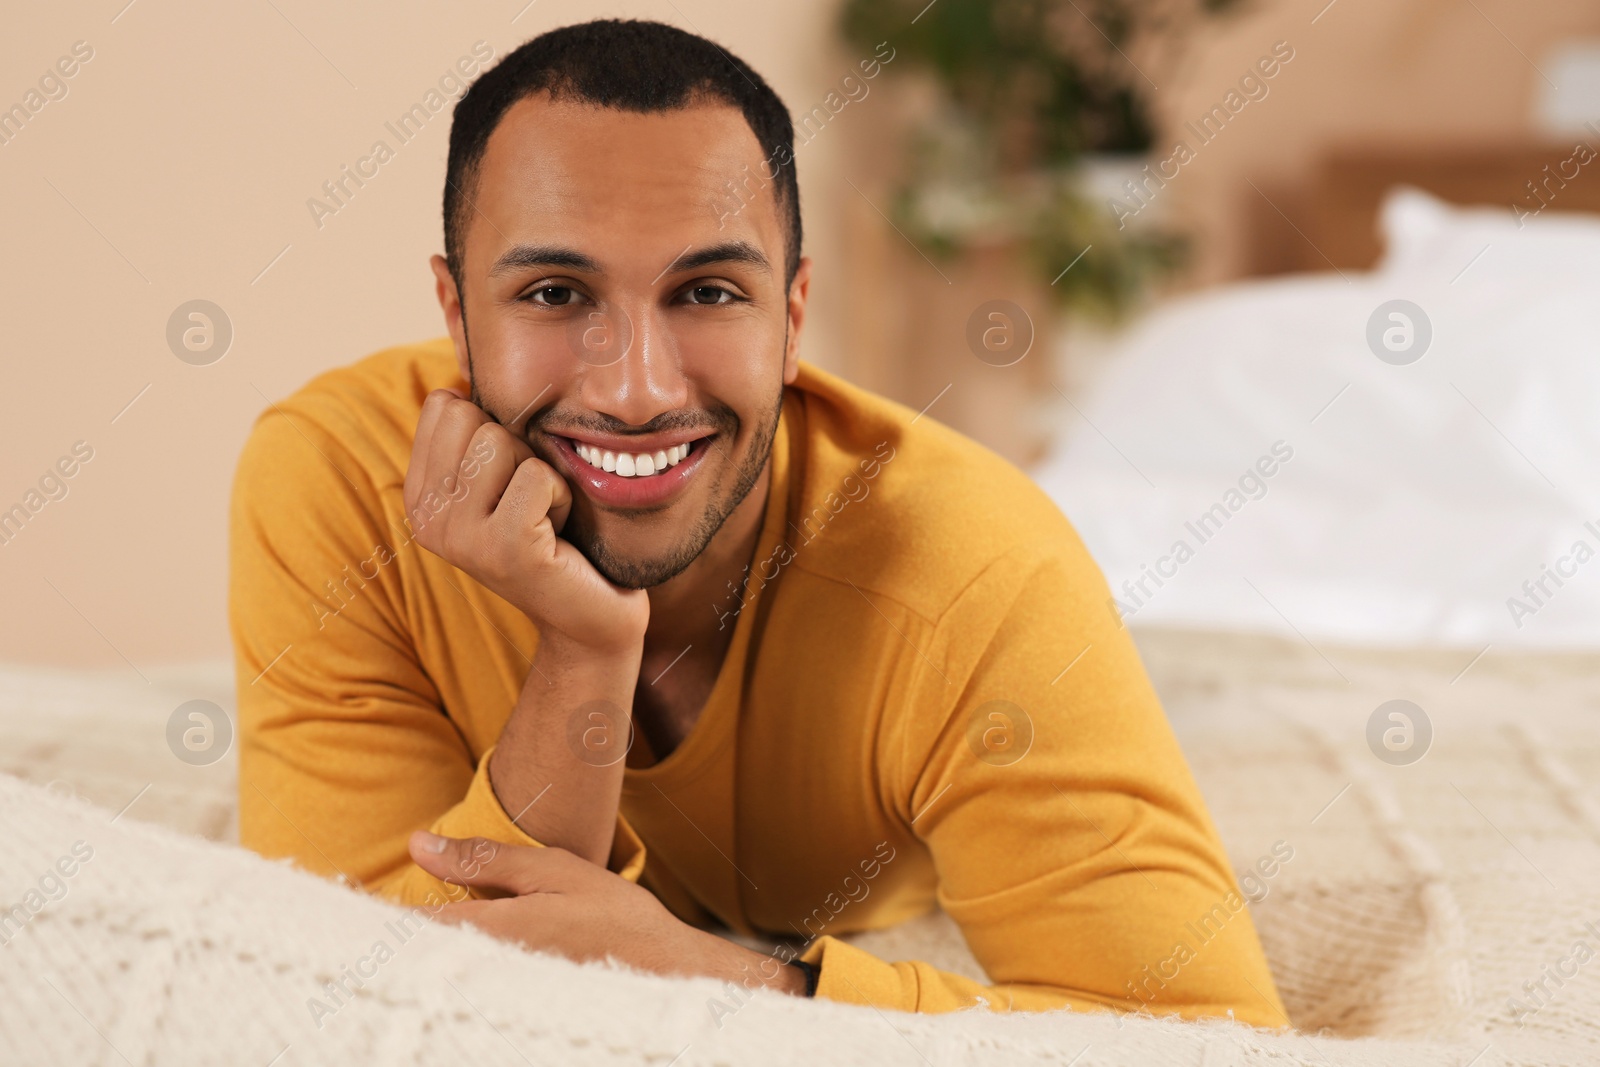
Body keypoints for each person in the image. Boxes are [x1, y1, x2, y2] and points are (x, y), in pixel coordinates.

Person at [229, 18, 1286, 1025]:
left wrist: (737, 981)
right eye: (554, 293)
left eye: (707, 291)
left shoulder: (976, 566)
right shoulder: (337, 478)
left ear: (791, 317)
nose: (636, 390)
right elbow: (369, 990)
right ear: (456, 316)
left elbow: (1202, 1031)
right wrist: (584, 646)